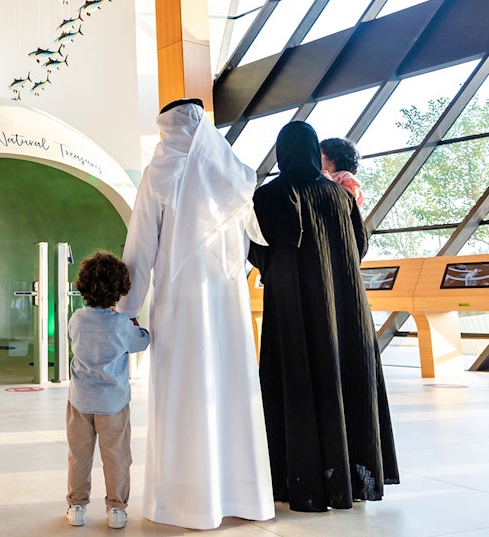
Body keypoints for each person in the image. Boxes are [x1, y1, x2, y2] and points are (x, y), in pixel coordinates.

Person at [116, 98, 275, 529]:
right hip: (227, 302)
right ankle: (240, 494)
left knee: (184, 394)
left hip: (180, 302)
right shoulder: (233, 172)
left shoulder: (159, 173)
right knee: (228, 390)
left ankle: (186, 500)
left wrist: (126, 308)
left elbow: (141, 246)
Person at [249, 121, 399, 512]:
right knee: (345, 377)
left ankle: (300, 481)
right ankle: (350, 479)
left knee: (299, 380)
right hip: (344, 303)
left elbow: (259, 248)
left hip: (295, 304)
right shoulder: (340, 195)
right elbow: (359, 246)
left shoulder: (272, 194)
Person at [66, 250, 151, 530]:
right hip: (113, 403)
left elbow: (72, 337)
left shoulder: (77, 318)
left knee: (79, 455)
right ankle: (116, 509)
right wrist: (139, 326)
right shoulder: (120, 324)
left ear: (83, 286)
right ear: (119, 290)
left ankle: (77, 506)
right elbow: (141, 342)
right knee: (116, 456)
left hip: (79, 400)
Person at [319, 137, 363, 208]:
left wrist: (329, 183)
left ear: (332, 158)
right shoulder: (318, 176)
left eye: (319, 154)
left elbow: (347, 200)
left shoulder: (345, 176)